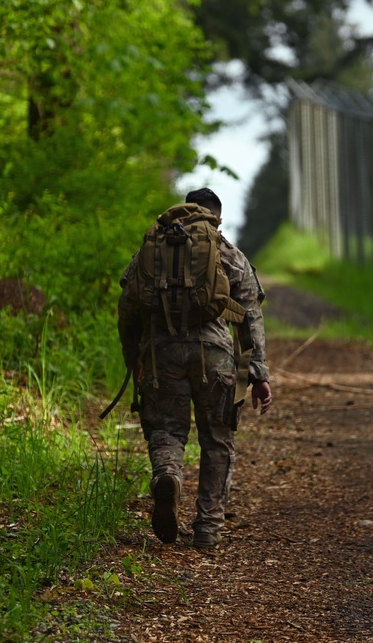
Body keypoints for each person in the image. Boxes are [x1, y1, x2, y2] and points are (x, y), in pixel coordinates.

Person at [117, 188, 272, 550]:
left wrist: (134, 359)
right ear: (217, 217)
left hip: (162, 354)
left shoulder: (151, 249)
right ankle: (207, 529)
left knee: (167, 431)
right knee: (217, 439)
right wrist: (258, 375)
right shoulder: (227, 252)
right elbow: (249, 317)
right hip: (215, 357)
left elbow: (128, 307)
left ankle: (168, 475)